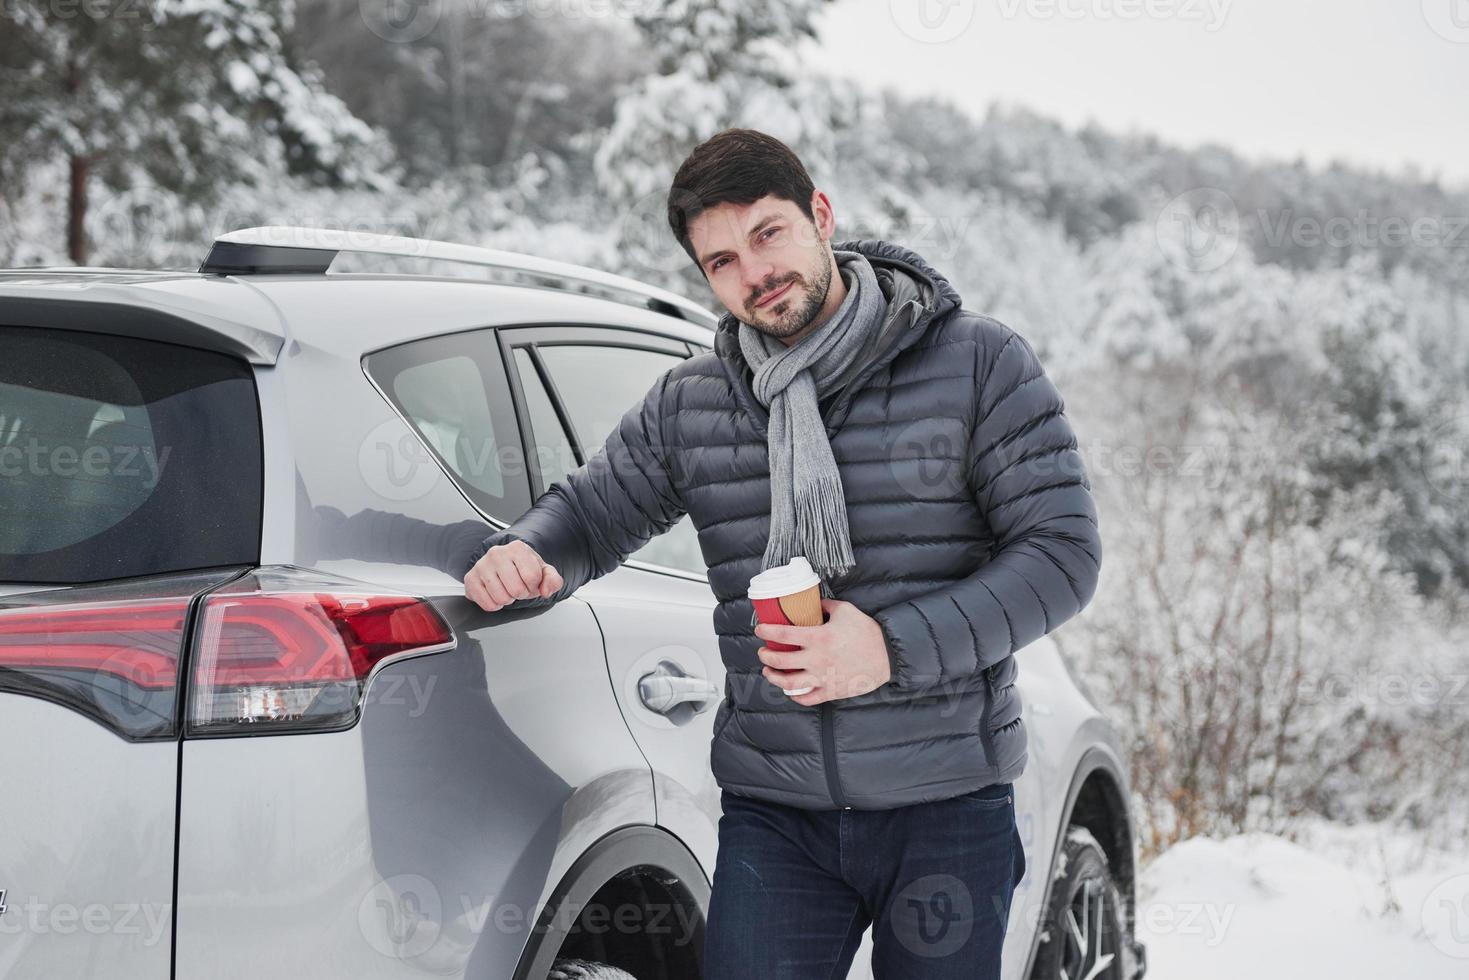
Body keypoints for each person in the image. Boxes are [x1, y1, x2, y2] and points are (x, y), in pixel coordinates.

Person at [462, 128, 1101, 979]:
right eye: (720, 261)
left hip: (946, 803)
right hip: (776, 812)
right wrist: (531, 553)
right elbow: (591, 513)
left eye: (768, 234)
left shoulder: (974, 361)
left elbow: (1061, 555)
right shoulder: (693, 403)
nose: (754, 274)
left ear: (820, 216)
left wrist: (887, 646)